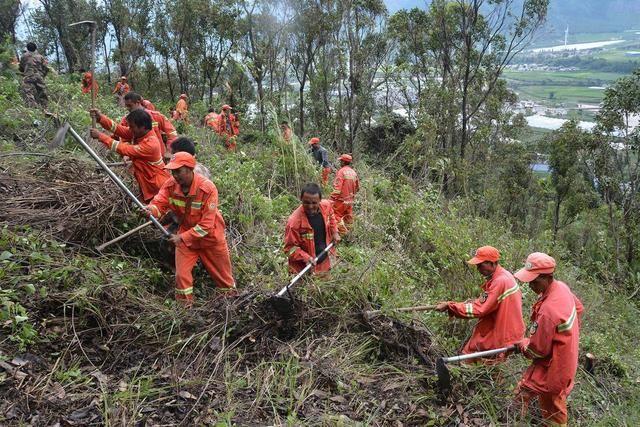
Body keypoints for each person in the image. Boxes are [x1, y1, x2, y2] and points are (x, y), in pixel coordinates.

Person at [144, 152, 237, 306]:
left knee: (224, 280)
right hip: (187, 238)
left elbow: (206, 225)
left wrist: (181, 238)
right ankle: (185, 312)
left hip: (211, 239)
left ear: (189, 169)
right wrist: (151, 210)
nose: (174, 175)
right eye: (172, 171)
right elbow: (159, 203)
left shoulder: (207, 188)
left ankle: (232, 307)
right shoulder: (171, 184)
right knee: (181, 277)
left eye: (178, 171)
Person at [514, 252, 584, 427]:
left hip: (556, 367)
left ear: (546, 277)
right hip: (556, 359)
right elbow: (579, 308)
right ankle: (515, 420)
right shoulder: (561, 288)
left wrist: (523, 344)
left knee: (553, 406)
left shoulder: (549, 311)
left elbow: (537, 350)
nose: (530, 285)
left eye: (534, 281)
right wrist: (566, 336)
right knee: (524, 390)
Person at [435, 246, 525, 362]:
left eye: (480, 265)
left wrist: (451, 306)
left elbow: (480, 309)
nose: (478, 269)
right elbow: (489, 302)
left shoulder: (500, 281)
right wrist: (472, 302)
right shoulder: (503, 275)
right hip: (505, 332)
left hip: (501, 335)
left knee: (475, 362)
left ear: (492, 263)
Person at [90, 109, 169, 203]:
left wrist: (101, 136)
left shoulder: (151, 144)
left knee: (157, 213)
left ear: (143, 127)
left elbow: (124, 149)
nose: (129, 129)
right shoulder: (140, 133)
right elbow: (118, 129)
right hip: (147, 183)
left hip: (156, 186)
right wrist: (101, 118)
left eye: (132, 127)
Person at [91, 91, 177, 158]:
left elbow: (172, 133)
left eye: (130, 106)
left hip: (155, 157)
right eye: (126, 106)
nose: (128, 109)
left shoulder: (156, 116)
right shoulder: (126, 120)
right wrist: (100, 118)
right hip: (138, 157)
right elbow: (121, 132)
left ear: (138, 102)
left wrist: (169, 151)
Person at [284, 183, 340, 274]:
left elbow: (331, 215)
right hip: (303, 269)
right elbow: (289, 249)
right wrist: (306, 257)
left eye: (314, 203)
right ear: (301, 199)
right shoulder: (294, 222)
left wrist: (334, 232)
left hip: (324, 262)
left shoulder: (326, 206)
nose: (310, 206)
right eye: (306, 202)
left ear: (320, 201)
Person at [330, 154, 360, 234]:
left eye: (341, 161)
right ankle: (350, 234)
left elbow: (337, 188)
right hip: (350, 200)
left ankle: (343, 233)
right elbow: (357, 188)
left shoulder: (341, 172)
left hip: (341, 200)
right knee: (348, 216)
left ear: (343, 162)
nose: (340, 162)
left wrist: (332, 199)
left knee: (336, 215)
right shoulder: (354, 173)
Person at [19, 42, 49, 108]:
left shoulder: (23, 56)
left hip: (28, 76)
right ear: (35, 48)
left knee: (28, 93)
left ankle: (33, 107)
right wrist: (42, 75)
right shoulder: (41, 57)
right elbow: (46, 68)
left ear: (27, 48)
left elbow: (21, 68)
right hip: (38, 76)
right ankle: (45, 108)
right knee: (42, 92)